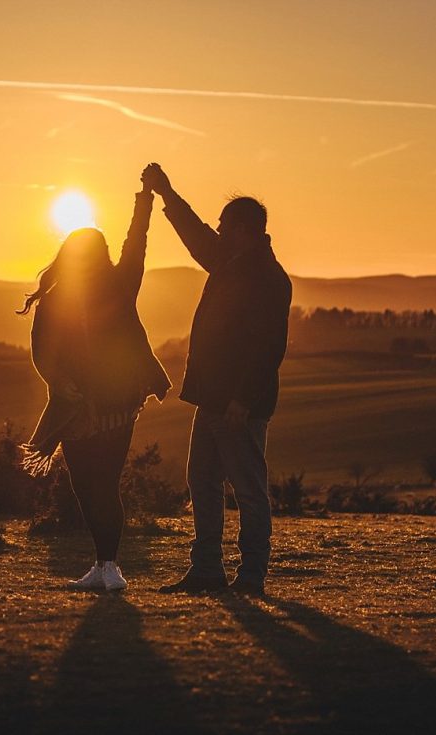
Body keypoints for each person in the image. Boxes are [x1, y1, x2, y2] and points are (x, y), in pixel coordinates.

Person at [141, 163, 292, 596]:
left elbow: (268, 348)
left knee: (247, 490)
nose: (219, 229)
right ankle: (207, 570)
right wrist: (167, 193)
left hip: (238, 405)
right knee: (202, 483)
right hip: (211, 398)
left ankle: (251, 577)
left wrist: (243, 401)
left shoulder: (267, 277)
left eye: (226, 224)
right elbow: (196, 234)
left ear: (244, 229)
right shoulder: (232, 261)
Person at [18, 175, 170, 592]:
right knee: (87, 486)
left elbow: (135, 244)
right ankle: (104, 565)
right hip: (77, 403)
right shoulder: (57, 297)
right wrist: (58, 380)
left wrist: (144, 200)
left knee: (101, 482)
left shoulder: (119, 286)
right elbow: (41, 349)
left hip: (115, 400)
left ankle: (109, 566)